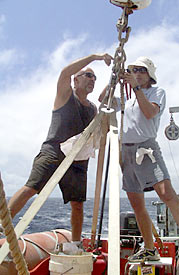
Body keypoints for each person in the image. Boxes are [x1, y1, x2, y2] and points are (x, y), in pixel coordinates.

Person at [2, 53, 113, 242]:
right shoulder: (66, 94)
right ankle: (2, 226)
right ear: (76, 80)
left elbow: (103, 128)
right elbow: (64, 72)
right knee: (32, 188)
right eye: (88, 75)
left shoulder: (93, 108)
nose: (92, 80)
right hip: (53, 151)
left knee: (77, 205)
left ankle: (75, 245)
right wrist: (95, 57)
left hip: (77, 160)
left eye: (95, 77)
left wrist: (113, 84)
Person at [99, 56, 179, 263]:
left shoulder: (156, 92)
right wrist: (112, 80)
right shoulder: (126, 99)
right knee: (136, 203)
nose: (136, 72)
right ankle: (149, 247)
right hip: (126, 152)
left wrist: (136, 88)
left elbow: (149, 112)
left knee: (166, 194)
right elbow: (103, 100)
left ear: (149, 75)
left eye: (141, 70)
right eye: (133, 69)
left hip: (146, 149)